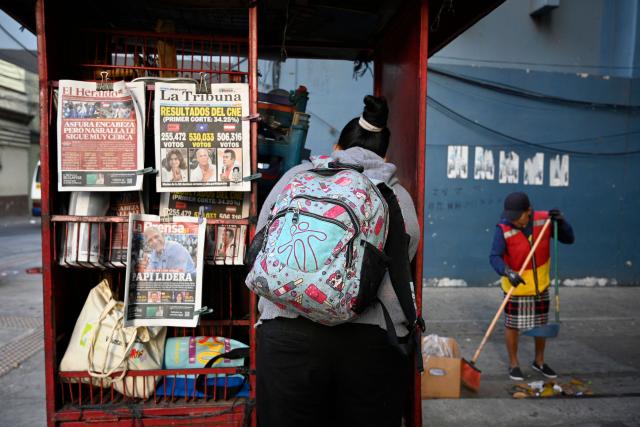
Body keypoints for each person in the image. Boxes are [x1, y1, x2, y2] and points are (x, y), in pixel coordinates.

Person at [255, 95, 420, 427]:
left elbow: (262, 241)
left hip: (286, 334)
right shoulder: (396, 196)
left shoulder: (296, 178)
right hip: (368, 345)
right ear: (384, 157)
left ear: (336, 148)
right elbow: (405, 257)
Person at [489, 191, 574, 381]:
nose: (513, 221)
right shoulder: (503, 227)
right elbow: (494, 257)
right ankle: (514, 364)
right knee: (512, 326)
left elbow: (569, 239)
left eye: (517, 217)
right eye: (510, 217)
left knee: (541, 325)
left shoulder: (544, 221)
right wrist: (507, 271)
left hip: (540, 286)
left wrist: (561, 222)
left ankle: (539, 362)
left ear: (528, 211)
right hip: (515, 286)